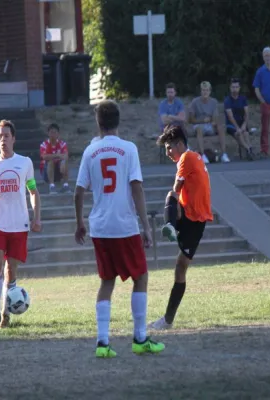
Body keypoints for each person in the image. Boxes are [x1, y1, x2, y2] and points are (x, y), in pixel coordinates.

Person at [74, 100, 165, 358]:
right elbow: (137, 188)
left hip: (100, 226)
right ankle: (140, 338)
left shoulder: (90, 152)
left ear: (98, 122)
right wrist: (146, 226)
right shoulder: (129, 149)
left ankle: (103, 343)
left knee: (106, 281)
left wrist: (80, 222)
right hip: (124, 225)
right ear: (118, 120)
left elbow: (78, 191)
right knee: (141, 276)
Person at [0, 120, 42, 328]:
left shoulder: (25, 163)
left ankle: (6, 314)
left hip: (19, 226)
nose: (2, 140)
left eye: (6, 136)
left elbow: (33, 191)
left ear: (13, 138)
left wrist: (36, 217)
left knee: (11, 271)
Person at [148, 125, 213, 330]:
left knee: (170, 196)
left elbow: (176, 190)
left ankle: (169, 227)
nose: (167, 153)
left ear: (179, 144)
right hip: (192, 216)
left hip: (194, 219)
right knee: (180, 268)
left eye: (168, 148)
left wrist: (174, 211)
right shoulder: (195, 157)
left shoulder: (186, 158)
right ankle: (167, 319)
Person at [188, 81, 230, 164]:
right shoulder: (195, 102)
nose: (205, 92)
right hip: (198, 124)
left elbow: (215, 117)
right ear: (201, 91)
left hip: (210, 125)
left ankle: (224, 154)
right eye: (203, 90)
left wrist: (214, 122)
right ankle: (203, 155)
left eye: (207, 90)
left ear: (210, 91)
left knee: (221, 127)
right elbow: (191, 120)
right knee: (199, 129)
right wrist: (202, 121)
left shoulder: (213, 102)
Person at [224, 78, 254, 161]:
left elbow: (246, 113)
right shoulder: (227, 100)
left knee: (246, 133)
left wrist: (244, 125)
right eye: (233, 87)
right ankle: (248, 149)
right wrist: (237, 128)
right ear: (230, 88)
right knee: (239, 133)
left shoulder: (243, 99)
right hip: (231, 124)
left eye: (236, 87)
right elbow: (230, 116)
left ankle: (249, 150)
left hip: (241, 123)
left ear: (239, 88)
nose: (235, 89)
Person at [39, 123, 70, 194]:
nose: (53, 135)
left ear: (58, 134)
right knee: (50, 161)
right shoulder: (44, 144)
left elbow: (66, 156)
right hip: (46, 173)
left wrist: (62, 160)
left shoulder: (62, 144)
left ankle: (66, 185)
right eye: (51, 132)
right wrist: (58, 155)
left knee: (64, 161)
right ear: (48, 133)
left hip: (59, 171)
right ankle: (52, 186)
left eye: (55, 132)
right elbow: (44, 157)